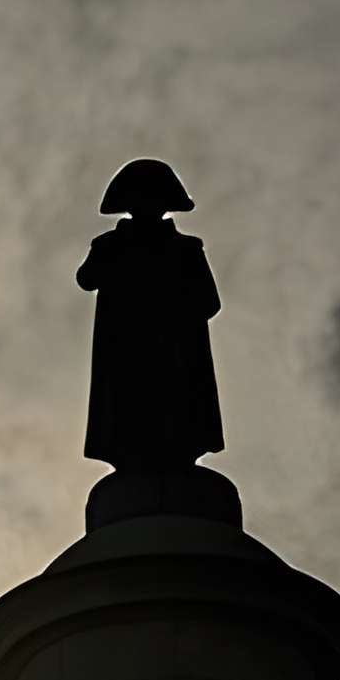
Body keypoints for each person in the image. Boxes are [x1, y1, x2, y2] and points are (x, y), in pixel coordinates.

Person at [76, 159, 224, 471]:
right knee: (128, 409)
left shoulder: (186, 249)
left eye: (153, 197)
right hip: (126, 349)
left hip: (176, 351)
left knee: (176, 409)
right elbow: (86, 278)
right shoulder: (109, 245)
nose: (146, 205)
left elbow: (209, 302)